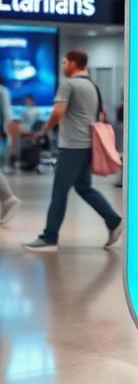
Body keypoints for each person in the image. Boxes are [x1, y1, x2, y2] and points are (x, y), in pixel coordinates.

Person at [22, 50, 122, 252]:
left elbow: (58, 112)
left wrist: (43, 130)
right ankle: (113, 220)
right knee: (84, 188)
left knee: (59, 191)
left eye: (65, 62)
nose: (63, 65)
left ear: (74, 64)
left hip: (72, 147)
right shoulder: (92, 86)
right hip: (86, 146)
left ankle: (49, 237)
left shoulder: (68, 84)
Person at [0, 79, 20, 224]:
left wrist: (8, 135)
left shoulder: (2, 91)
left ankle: (8, 198)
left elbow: (7, 116)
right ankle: (8, 198)